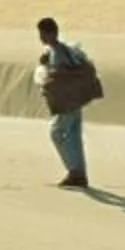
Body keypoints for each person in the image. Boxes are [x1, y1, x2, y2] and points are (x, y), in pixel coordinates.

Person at [34, 17, 101, 189]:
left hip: (67, 102)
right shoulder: (61, 50)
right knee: (73, 135)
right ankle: (79, 174)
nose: (41, 37)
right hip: (75, 100)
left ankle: (75, 172)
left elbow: (62, 75)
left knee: (57, 133)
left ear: (52, 33)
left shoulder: (59, 52)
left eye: (43, 34)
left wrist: (50, 73)